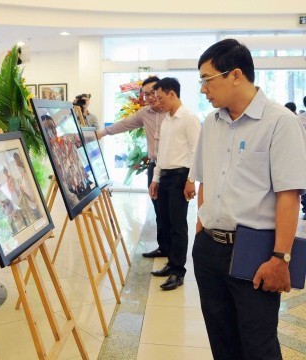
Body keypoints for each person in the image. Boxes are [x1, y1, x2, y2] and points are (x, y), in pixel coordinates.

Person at [192, 38, 306, 359]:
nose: (203, 90)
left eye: (207, 80)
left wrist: (280, 258)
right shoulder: (210, 125)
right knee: (222, 341)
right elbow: (204, 179)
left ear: (236, 75)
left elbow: (289, 195)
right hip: (209, 250)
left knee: (258, 346)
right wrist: (201, 229)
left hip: (255, 253)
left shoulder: (279, 122)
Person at [97, 76, 167, 258]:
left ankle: (176, 257)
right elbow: (125, 124)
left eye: (153, 92)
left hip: (173, 170)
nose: (150, 97)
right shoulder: (144, 113)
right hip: (154, 167)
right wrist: (103, 133)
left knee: (173, 213)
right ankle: (164, 247)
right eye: (146, 94)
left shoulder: (173, 112)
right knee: (158, 209)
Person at [148, 77, 201, 291]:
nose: (157, 102)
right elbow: (162, 153)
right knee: (166, 222)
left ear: (172, 94)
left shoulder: (189, 119)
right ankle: (171, 263)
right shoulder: (167, 120)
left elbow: (197, 151)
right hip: (166, 176)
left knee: (178, 226)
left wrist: (191, 180)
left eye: (160, 98)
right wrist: (155, 179)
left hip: (181, 177)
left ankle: (178, 272)